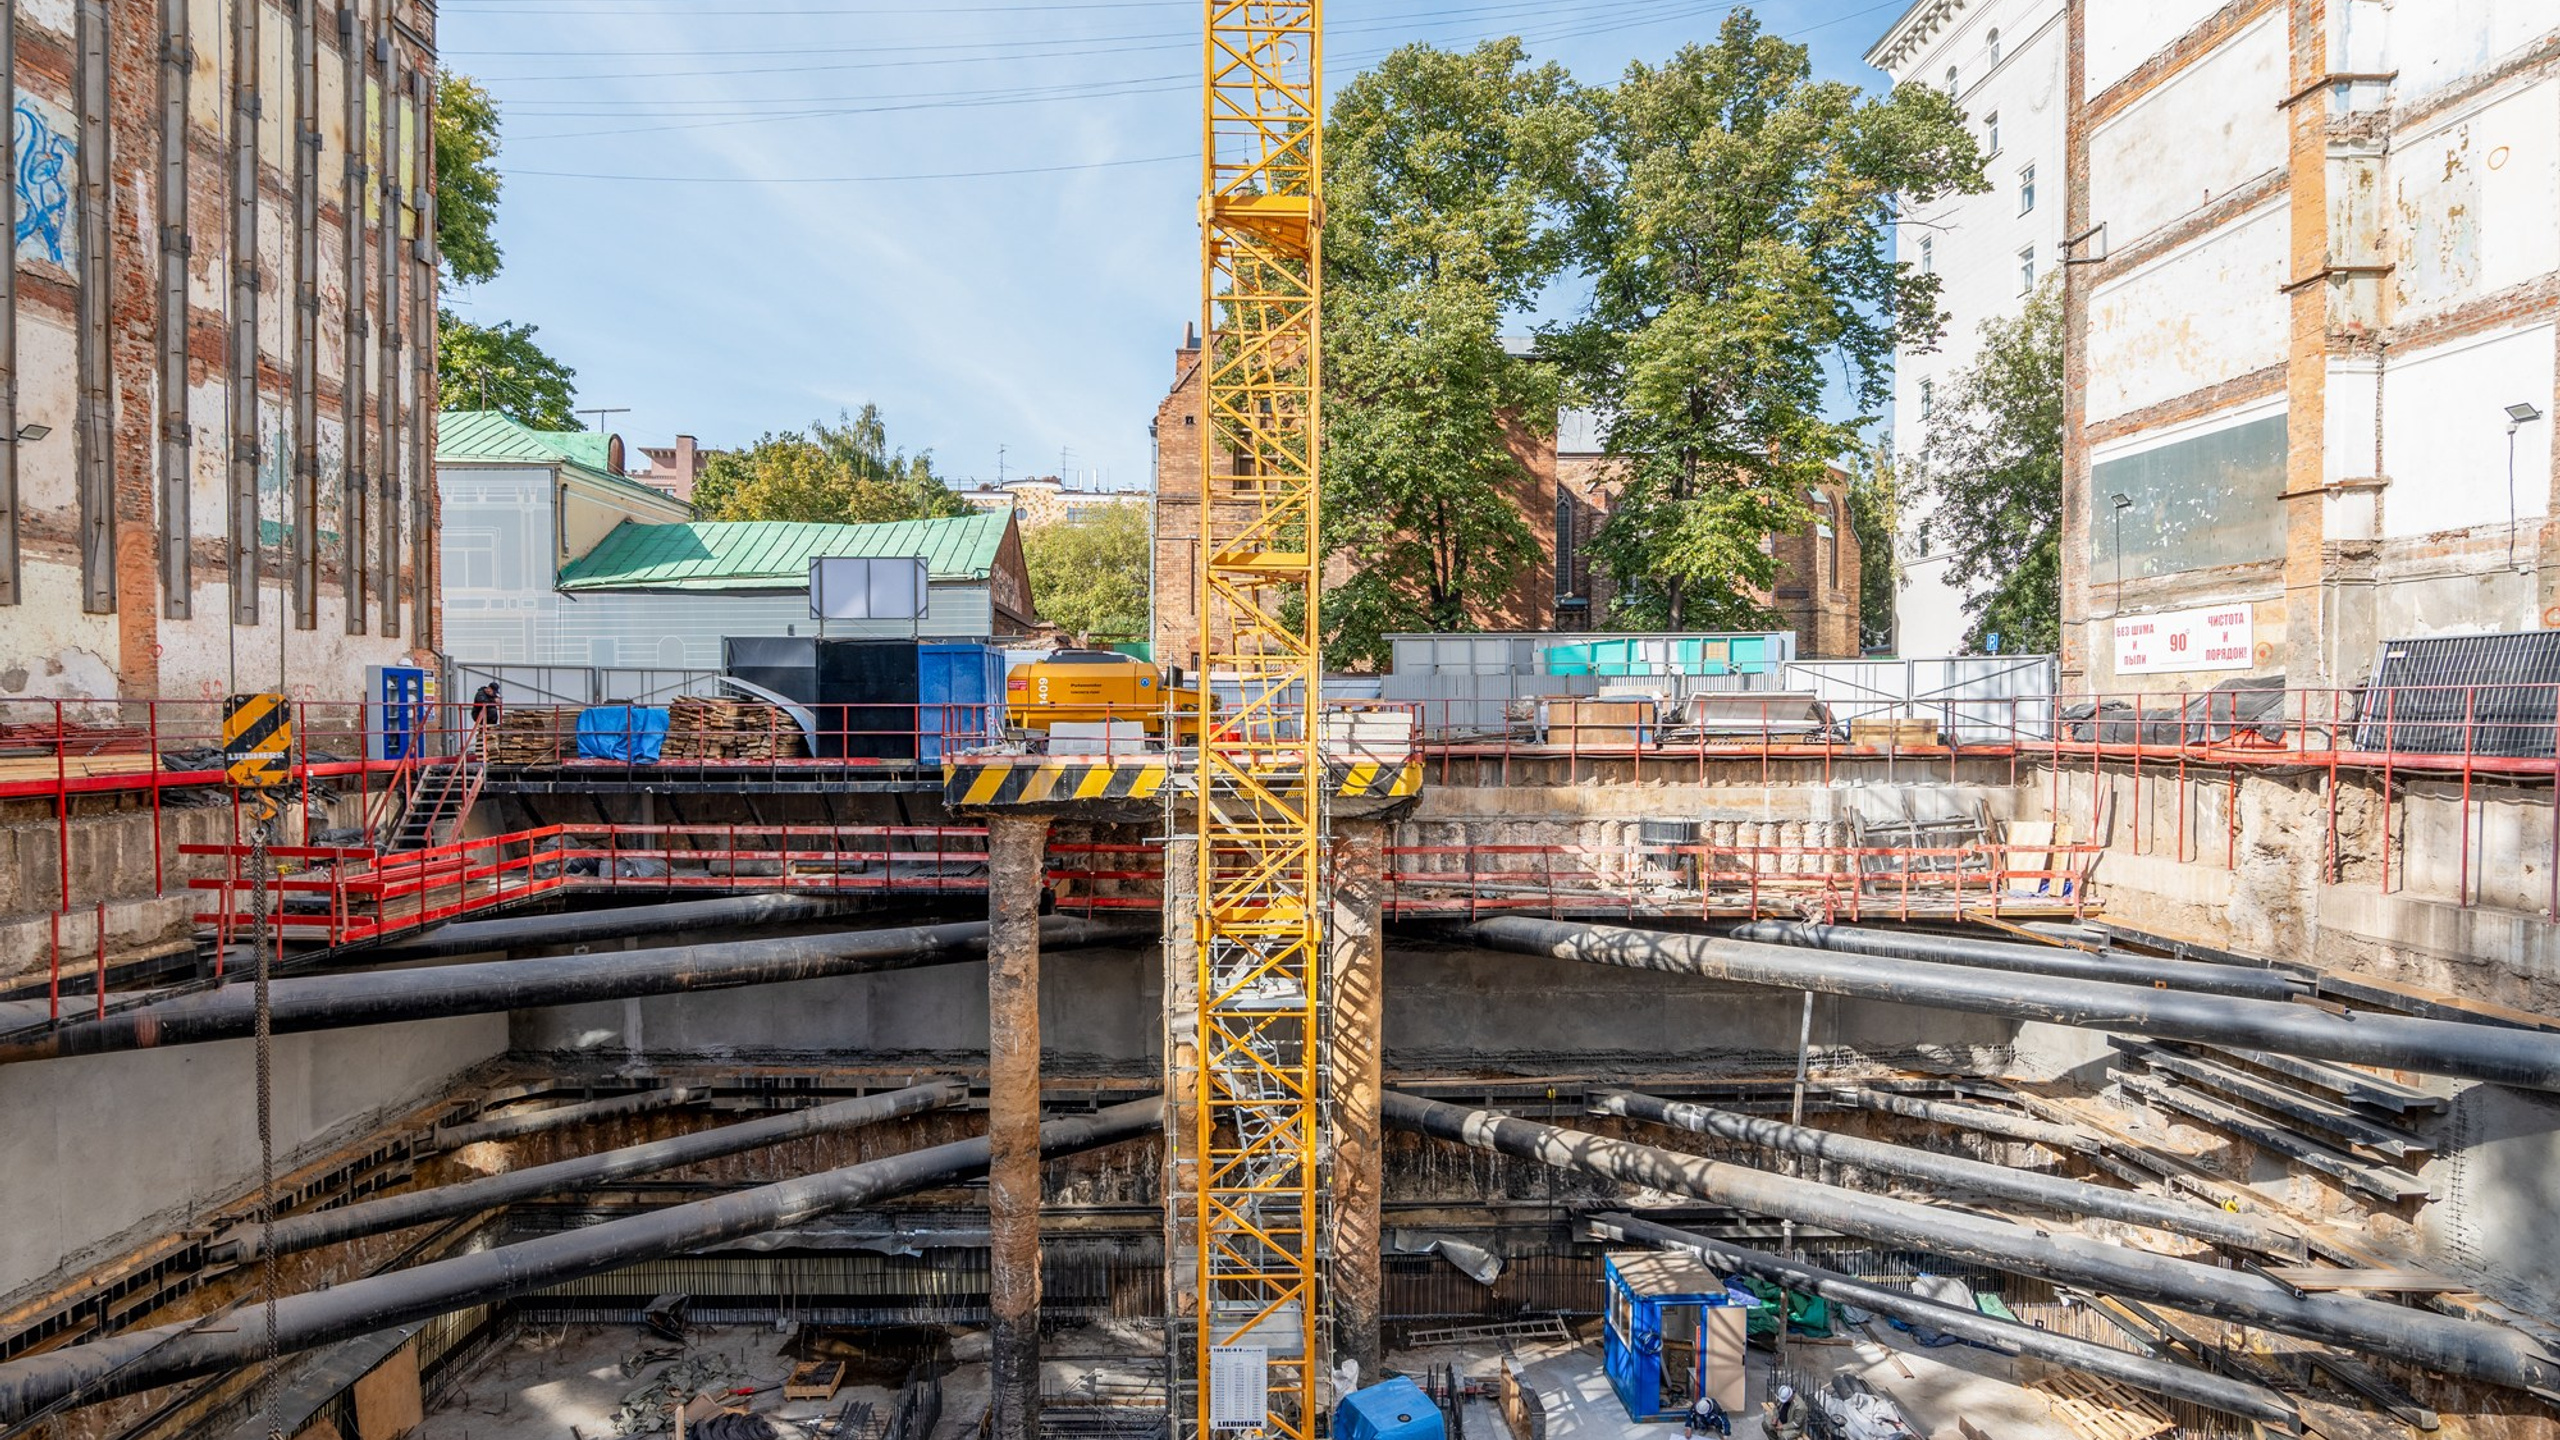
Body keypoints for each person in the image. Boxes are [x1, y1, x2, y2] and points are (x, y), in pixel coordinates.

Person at [470, 681, 502, 748]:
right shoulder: (480, 694)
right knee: (492, 710)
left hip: (487, 715)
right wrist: (494, 701)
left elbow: (496, 700)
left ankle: (492, 728)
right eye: (493, 692)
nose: (494, 694)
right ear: (489, 689)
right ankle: (488, 727)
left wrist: (498, 700)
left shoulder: (491, 695)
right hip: (478, 714)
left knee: (493, 710)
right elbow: (482, 702)